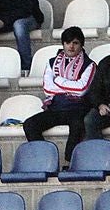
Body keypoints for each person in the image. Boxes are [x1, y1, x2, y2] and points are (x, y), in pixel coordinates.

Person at [23, 27, 96, 161]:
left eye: (75, 43)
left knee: (78, 125)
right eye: (68, 43)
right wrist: (70, 86)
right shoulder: (52, 62)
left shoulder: (89, 65)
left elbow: (81, 89)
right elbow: (48, 89)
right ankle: (45, 159)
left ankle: (70, 162)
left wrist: (58, 80)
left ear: (82, 45)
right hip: (56, 107)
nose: (71, 46)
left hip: (77, 109)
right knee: (30, 124)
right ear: (63, 44)